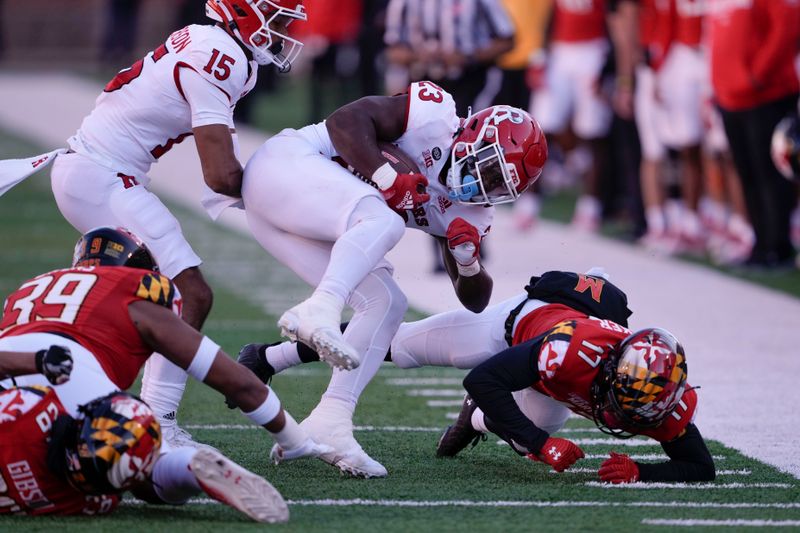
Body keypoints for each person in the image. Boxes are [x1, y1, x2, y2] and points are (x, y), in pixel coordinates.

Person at [0, 0, 308, 446]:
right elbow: (220, 176)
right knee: (190, 294)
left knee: (127, 300)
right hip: (101, 175)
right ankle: (157, 418)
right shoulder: (218, 56)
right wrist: (291, 192)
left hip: (96, 171)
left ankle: (55, 391)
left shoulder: (218, 46)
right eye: (277, 21)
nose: (283, 33)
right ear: (246, 13)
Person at [235, 84, 547, 477]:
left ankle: (332, 419)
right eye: (488, 166)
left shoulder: (472, 211)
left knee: (386, 303)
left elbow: (474, 301)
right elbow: (344, 121)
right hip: (285, 167)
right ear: (472, 135)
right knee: (384, 219)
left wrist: (467, 263)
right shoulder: (434, 119)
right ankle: (322, 307)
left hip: (293, 223)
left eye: (500, 184)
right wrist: (387, 177)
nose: (484, 184)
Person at [259, 269, 716, 482]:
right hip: (512, 330)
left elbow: (699, 466)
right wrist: (544, 444)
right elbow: (482, 379)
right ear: (612, 368)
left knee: (522, 436)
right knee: (397, 344)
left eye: (635, 411)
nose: (620, 413)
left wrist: (643, 470)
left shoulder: (657, 392)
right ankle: (271, 357)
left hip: (555, 373)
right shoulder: (571, 352)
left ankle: (476, 421)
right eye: (621, 399)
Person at [0, 227, 330, 520]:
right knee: (125, 456)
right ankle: (184, 466)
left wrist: (37, 361)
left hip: (15, 371)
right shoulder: (132, 291)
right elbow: (240, 384)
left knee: (36, 457)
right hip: (75, 376)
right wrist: (292, 440)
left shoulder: (29, 290)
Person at [0, 386, 284, 522]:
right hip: (67, 482)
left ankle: (172, 465)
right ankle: (180, 467)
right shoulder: (86, 502)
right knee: (132, 466)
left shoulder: (29, 408)